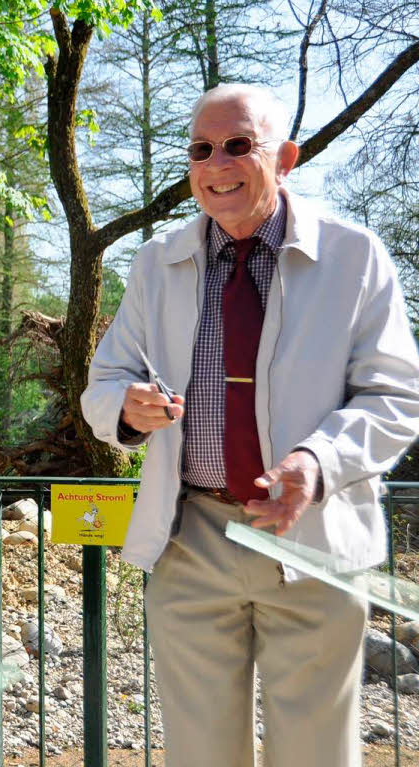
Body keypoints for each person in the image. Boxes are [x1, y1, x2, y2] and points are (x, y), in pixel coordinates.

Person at [81, 83, 419, 767]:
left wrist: (316, 463)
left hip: (314, 541)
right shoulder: (155, 263)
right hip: (192, 538)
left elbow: (398, 396)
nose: (216, 164)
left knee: (316, 755)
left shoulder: (356, 259)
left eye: (239, 145)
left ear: (286, 158)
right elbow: (103, 385)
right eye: (201, 149)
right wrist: (127, 409)